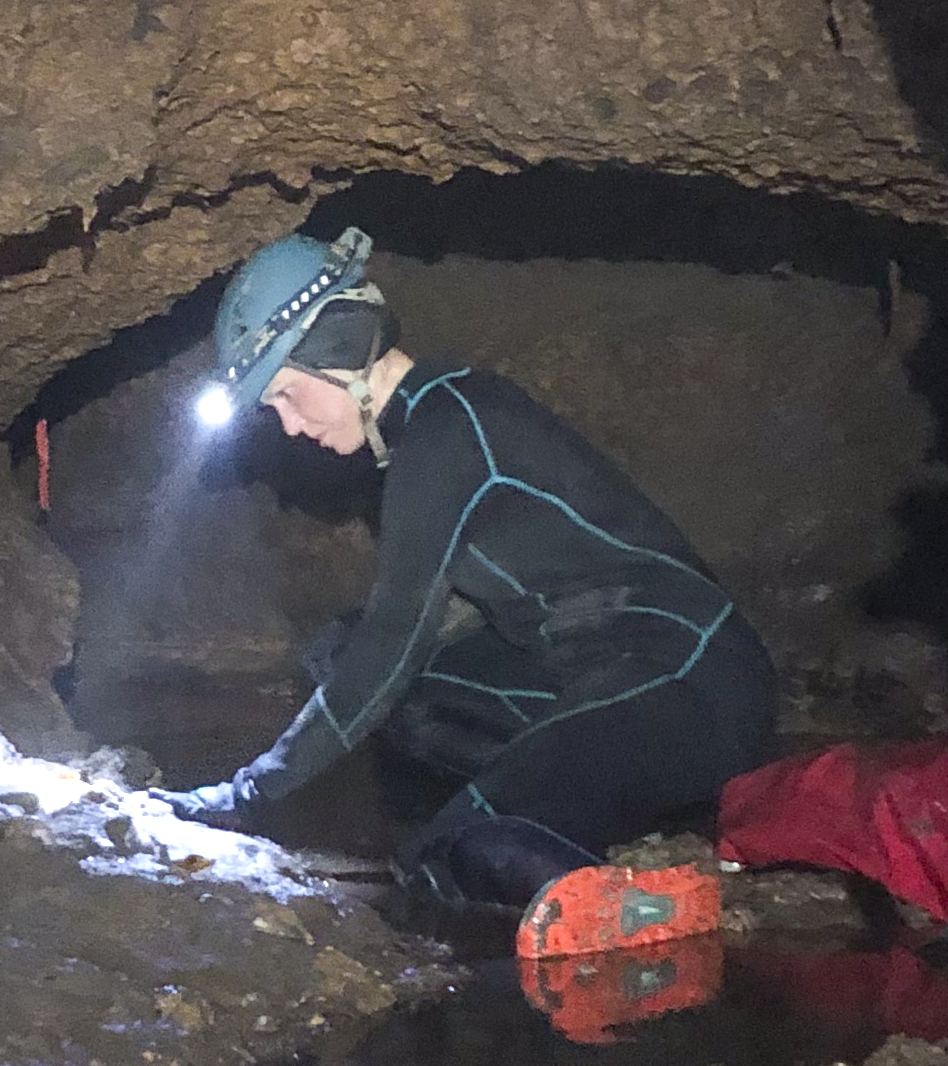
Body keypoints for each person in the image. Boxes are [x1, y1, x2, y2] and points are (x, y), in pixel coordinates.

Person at [155, 226, 778, 943]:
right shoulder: (435, 426)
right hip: (592, 673)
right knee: (344, 659)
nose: (291, 427)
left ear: (340, 349)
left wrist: (248, 792)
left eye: (289, 396)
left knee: (452, 851)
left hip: (689, 677)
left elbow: (394, 641)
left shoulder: (449, 432)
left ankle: (659, 915)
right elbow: (398, 655)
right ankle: (557, 805)